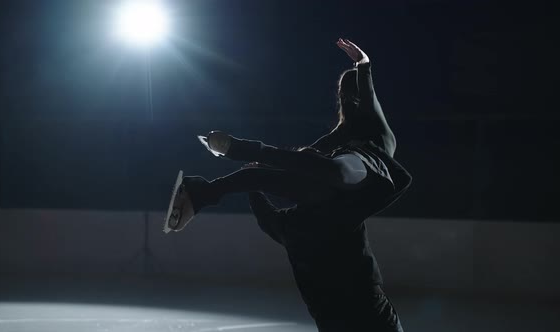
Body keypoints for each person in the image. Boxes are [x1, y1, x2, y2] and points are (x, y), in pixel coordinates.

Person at [164, 38, 412, 332]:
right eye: (347, 96)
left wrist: (364, 66)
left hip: (366, 173)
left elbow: (370, 103)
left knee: (330, 169)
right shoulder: (339, 137)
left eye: (353, 95)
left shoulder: (379, 132)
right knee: (280, 171)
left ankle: (239, 151)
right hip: (335, 200)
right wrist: (260, 168)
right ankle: (200, 193)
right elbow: (301, 159)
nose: (352, 101)